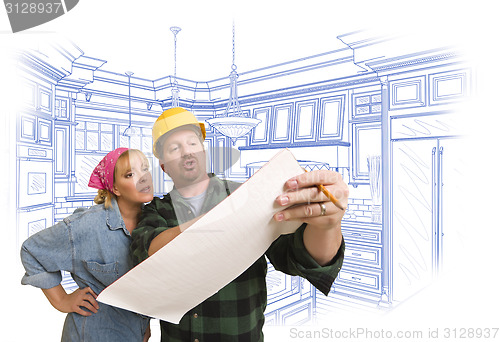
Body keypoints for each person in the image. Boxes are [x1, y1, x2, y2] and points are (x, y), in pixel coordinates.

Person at [130, 107, 347, 341]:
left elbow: (297, 258)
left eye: (192, 143)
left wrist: (327, 225)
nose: (186, 152)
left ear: (203, 151)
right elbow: (147, 253)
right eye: (174, 148)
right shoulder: (155, 211)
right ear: (163, 165)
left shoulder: (249, 195)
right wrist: (225, 216)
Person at [21, 148, 154, 342]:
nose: (143, 178)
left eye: (145, 169)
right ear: (115, 188)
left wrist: (145, 323)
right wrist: (61, 300)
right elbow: (31, 250)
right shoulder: (87, 225)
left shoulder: (153, 224)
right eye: (130, 174)